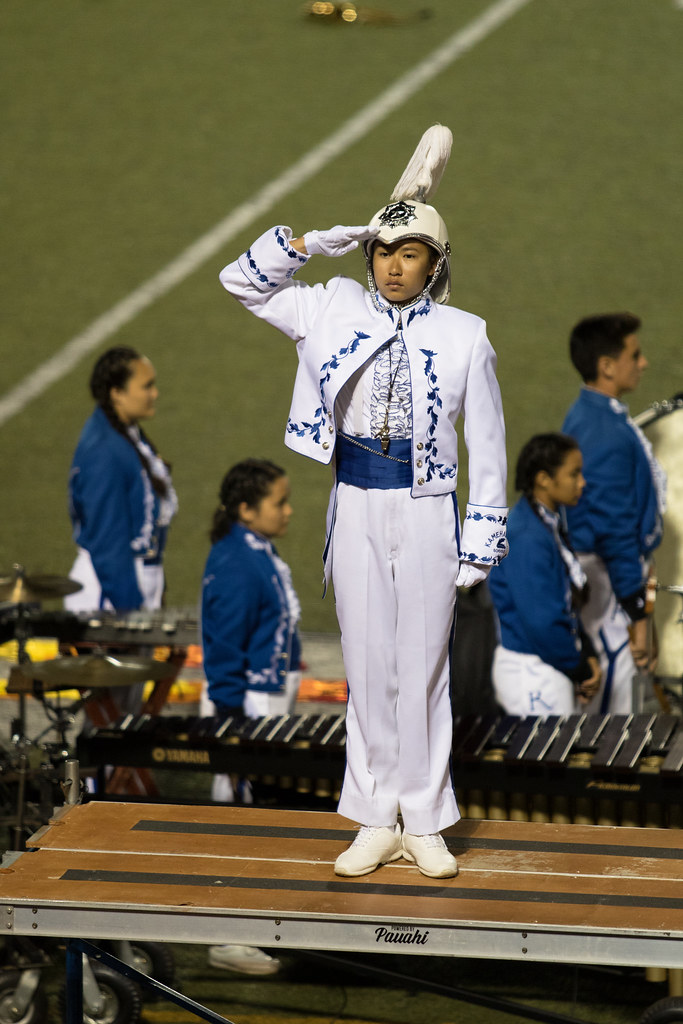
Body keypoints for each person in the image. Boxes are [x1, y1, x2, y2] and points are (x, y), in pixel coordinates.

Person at [218, 125, 508, 879]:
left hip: (428, 509)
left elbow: (488, 445)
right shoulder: (330, 304)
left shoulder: (467, 335)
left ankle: (426, 819)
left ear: (435, 264)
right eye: (383, 252)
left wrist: (481, 538)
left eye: (409, 253)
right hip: (353, 501)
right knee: (368, 662)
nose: (392, 266)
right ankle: (376, 818)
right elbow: (240, 282)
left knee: (425, 666)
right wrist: (317, 242)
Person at [201, 458, 301, 976]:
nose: (288, 511)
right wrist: (232, 722)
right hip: (247, 708)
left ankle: (253, 922)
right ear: (246, 509)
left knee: (257, 817)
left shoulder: (254, 548)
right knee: (236, 823)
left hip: (266, 703)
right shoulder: (237, 561)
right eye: (278, 503)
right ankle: (226, 936)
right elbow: (224, 648)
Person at [65, 346, 178, 723]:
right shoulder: (105, 450)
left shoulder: (123, 432)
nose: (154, 393)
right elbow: (108, 544)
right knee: (110, 719)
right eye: (146, 386)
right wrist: (133, 615)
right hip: (110, 592)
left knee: (122, 715)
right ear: (116, 392)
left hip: (129, 586)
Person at [562, 314, 665, 714]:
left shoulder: (598, 415)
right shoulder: (602, 431)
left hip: (612, 582)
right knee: (610, 715)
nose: (644, 363)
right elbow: (614, 528)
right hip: (608, 587)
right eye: (634, 355)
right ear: (607, 366)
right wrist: (638, 614)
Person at [488, 433, 601, 717]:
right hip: (532, 672)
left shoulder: (547, 521)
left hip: (549, 665)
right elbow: (542, 622)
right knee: (549, 747)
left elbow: (563, 604)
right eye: (574, 474)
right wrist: (580, 668)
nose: (582, 482)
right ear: (543, 479)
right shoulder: (526, 535)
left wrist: (585, 652)